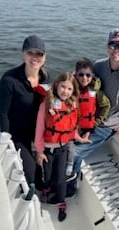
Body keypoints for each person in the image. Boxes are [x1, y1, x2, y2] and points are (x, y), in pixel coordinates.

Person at [69, 28, 119, 195]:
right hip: (86, 118)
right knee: (61, 145)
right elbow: (84, 82)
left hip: (107, 125)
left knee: (74, 154)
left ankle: (69, 188)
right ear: (107, 46)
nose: (116, 50)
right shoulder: (98, 65)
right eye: (113, 45)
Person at [34, 72, 91, 221]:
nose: (65, 91)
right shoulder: (45, 105)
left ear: (74, 91)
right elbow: (39, 129)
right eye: (63, 87)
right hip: (47, 148)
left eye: (69, 89)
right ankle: (46, 189)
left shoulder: (73, 105)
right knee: (46, 175)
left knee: (60, 178)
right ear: (56, 86)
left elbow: (72, 129)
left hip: (63, 148)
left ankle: (61, 201)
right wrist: (40, 152)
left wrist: (80, 138)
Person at [0, 35, 49, 189]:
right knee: (31, 175)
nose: (34, 57)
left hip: (39, 132)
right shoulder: (9, 80)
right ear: (23, 53)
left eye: (39, 54)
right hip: (19, 134)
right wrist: (7, 142)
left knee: (48, 169)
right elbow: (3, 114)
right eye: (30, 53)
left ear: (44, 57)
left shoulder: (45, 79)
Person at [66, 57, 111, 181]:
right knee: (67, 155)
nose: (84, 78)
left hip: (87, 130)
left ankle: (71, 182)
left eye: (88, 75)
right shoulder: (69, 89)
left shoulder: (95, 92)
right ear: (75, 74)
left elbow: (106, 106)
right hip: (70, 130)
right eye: (81, 75)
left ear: (92, 76)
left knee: (75, 155)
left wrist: (96, 122)